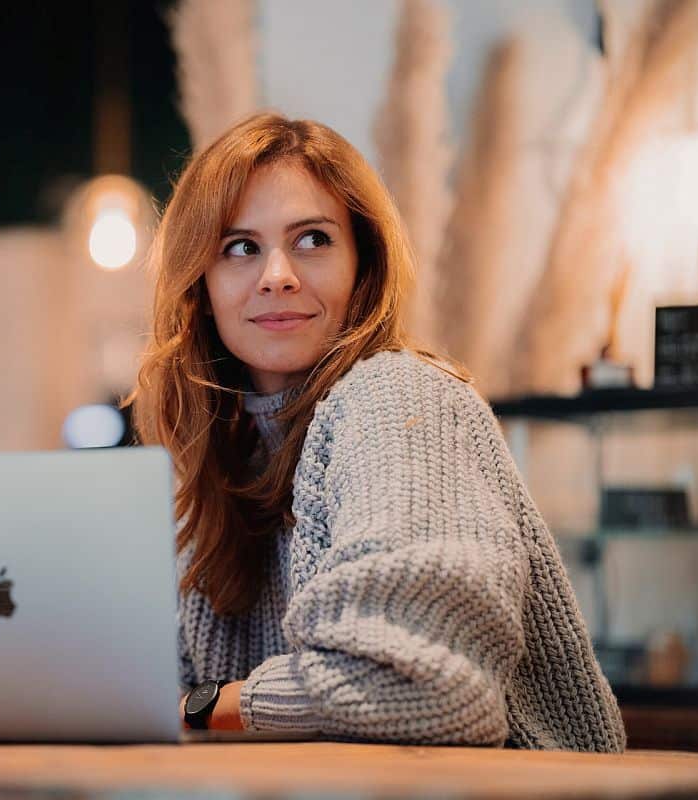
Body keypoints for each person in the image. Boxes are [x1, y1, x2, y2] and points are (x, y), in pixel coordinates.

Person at [124, 113, 627, 751]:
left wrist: (204, 707)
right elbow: (150, 694)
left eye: (312, 239)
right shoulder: (220, 459)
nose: (277, 274)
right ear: (200, 284)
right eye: (241, 247)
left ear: (363, 265)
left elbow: (418, 687)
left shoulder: (399, 399)